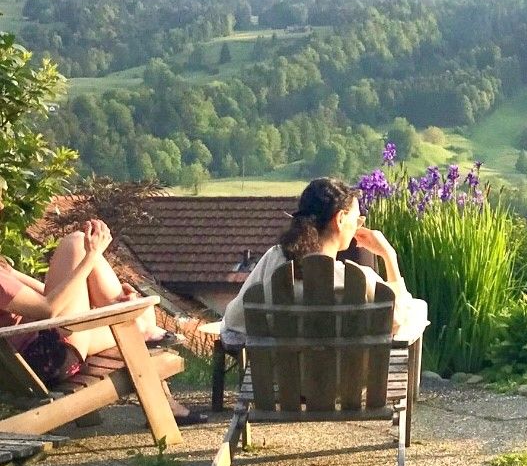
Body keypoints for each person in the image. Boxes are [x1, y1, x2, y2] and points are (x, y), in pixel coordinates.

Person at [0, 216, 203, 423]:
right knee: (77, 243)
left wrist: (13, 273)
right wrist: (91, 256)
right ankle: (134, 319)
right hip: (46, 358)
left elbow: (46, 299)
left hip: (24, 364)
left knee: (136, 324)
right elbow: (49, 309)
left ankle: (138, 325)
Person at [222, 177, 409, 340]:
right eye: (358, 219)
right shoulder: (356, 280)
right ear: (341, 219)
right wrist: (388, 255)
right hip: (347, 380)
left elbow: (233, 320)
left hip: (279, 379)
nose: (358, 226)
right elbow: (399, 319)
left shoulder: (273, 260)